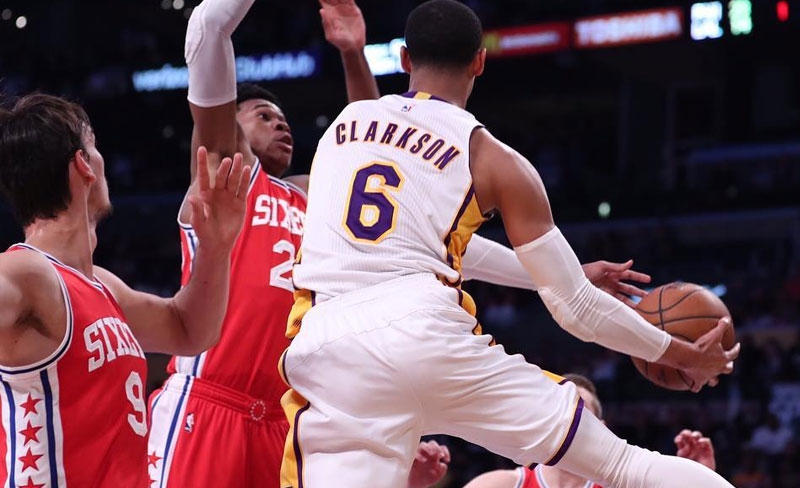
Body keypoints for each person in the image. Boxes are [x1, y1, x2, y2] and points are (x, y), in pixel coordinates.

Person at [147, 0, 652, 485]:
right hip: (211, 402)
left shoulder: (324, 202)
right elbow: (208, 33)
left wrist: (562, 276)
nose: (280, 122)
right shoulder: (226, 183)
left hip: (289, 412)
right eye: (262, 115)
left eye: (283, 116)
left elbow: (378, 146)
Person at [279, 1, 740, 486]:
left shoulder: (340, 130)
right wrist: (681, 354)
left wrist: (561, 273)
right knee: (623, 465)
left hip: (331, 348)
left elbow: (420, 242)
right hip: (426, 334)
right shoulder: (494, 158)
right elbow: (577, 309)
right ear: (480, 61)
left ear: (404, 59)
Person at [0, 94, 249, 486]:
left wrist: (215, 249)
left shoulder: (103, 286)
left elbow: (190, 330)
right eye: (95, 147)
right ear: (83, 164)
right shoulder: (25, 272)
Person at [463, 374, 718, 488]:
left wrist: (696, 480)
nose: (569, 419)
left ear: (601, 429)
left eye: (581, 413)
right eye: (560, 407)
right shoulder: (501, 484)